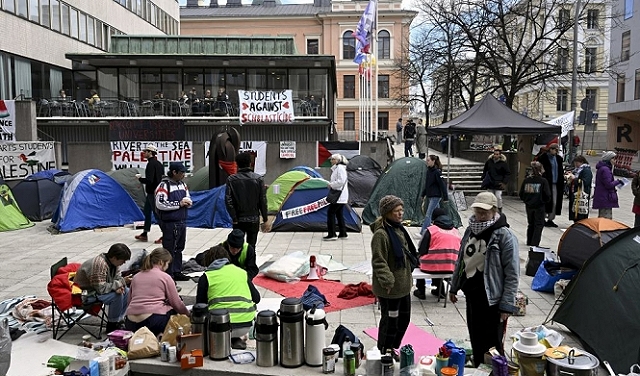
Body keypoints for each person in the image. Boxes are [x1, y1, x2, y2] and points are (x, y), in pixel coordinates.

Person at [449, 192, 519, 367]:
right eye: (477, 211)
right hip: (472, 293)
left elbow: (512, 274)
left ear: (494, 211)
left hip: (492, 299)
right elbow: (461, 260)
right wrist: (454, 287)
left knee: (492, 342)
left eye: (484, 212)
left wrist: (506, 305)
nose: (479, 216)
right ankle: (480, 365)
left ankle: (495, 370)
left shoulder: (504, 235)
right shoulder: (470, 229)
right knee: (475, 335)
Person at [370, 195, 416, 356]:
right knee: (390, 321)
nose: (400, 213)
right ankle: (385, 349)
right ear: (387, 213)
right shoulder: (381, 235)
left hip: (403, 286)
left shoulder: (398, 228)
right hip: (390, 290)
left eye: (401, 210)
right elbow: (378, 261)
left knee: (404, 319)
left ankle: (393, 346)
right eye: (396, 211)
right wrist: (387, 281)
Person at [196, 245, 260, 350]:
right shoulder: (242, 273)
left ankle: (224, 340)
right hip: (246, 324)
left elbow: (200, 305)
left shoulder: (207, 276)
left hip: (220, 326)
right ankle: (234, 339)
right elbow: (257, 298)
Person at [125, 248, 189, 336]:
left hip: (130, 322)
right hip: (152, 321)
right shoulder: (165, 277)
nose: (167, 267)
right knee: (173, 309)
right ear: (161, 262)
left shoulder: (136, 277)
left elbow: (129, 301)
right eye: (167, 264)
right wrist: (188, 314)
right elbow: (176, 303)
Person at [74, 243, 132, 333]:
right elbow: (101, 289)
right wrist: (120, 283)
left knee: (127, 291)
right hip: (86, 293)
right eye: (122, 260)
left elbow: (117, 277)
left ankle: (119, 320)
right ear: (114, 257)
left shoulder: (113, 264)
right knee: (116, 296)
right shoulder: (100, 265)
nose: (123, 263)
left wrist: (120, 285)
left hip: (98, 289)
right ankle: (112, 325)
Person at [156, 162, 192, 281]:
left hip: (182, 220)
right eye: (181, 172)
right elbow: (160, 203)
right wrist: (179, 204)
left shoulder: (182, 184)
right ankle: (168, 273)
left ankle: (177, 271)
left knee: (179, 248)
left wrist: (188, 202)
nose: (183, 175)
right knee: (169, 249)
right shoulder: (164, 185)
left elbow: (187, 196)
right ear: (174, 172)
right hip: (170, 222)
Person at [414, 208, 461, 300]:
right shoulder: (456, 231)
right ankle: (440, 290)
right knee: (440, 260)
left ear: (433, 218)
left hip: (431, 267)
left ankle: (421, 290)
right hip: (452, 267)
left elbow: (422, 249)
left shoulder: (431, 230)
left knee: (419, 259)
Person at [225, 152, 269, 249]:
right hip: (254, 218)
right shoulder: (258, 179)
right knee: (251, 246)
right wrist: (265, 218)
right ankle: (250, 262)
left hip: (238, 219)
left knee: (237, 245)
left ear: (237, 164)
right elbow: (263, 200)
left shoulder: (231, 180)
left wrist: (234, 217)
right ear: (250, 163)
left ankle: (239, 263)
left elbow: (228, 200)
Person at [135, 144, 164, 243]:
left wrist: (140, 179)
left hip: (152, 193)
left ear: (150, 153)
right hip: (155, 192)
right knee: (147, 212)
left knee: (156, 214)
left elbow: (150, 180)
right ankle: (144, 233)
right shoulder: (159, 164)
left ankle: (165, 234)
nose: (144, 153)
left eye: (145, 151)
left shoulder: (151, 164)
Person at [519, 161, 551, 247]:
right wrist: (544, 201)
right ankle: (535, 242)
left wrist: (526, 200)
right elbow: (547, 194)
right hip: (539, 205)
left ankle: (529, 240)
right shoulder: (543, 181)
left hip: (529, 205)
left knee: (531, 223)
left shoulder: (527, 180)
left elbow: (521, 193)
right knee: (539, 224)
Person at [420, 155, 448, 236]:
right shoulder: (429, 171)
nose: (427, 162)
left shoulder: (437, 172)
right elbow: (427, 185)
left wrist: (445, 197)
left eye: (428, 160)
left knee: (429, 214)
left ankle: (423, 231)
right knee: (437, 213)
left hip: (436, 196)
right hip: (430, 195)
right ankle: (440, 226)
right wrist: (423, 194)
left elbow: (442, 184)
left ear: (433, 161)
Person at [537, 143, 564, 227]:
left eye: (557, 150)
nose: (556, 152)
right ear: (550, 149)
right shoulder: (544, 158)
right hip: (547, 182)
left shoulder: (558, 159)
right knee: (546, 200)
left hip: (556, 183)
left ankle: (551, 218)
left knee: (555, 202)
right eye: (554, 150)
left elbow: (560, 170)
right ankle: (543, 217)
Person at [324, 153, 349, 240]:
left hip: (339, 196)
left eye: (333, 159)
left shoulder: (340, 168)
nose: (331, 161)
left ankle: (332, 234)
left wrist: (331, 185)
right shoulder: (339, 168)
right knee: (339, 214)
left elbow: (341, 181)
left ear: (337, 160)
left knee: (330, 213)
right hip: (341, 196)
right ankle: (343, 233)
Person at [593, 151, 624, 219]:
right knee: (606, 218)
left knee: (602, 217)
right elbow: (608, 184)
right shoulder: (605, 170)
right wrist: (618, 181)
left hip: (602, 196)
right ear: (609, 159)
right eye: (613, 159)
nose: (615, 161)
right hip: (606, 197)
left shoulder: (603, 168)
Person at [481, 145, 510, 213]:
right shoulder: (489, 162)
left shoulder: (503, 164)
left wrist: (504, 182)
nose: (495, 156)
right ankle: (491, 209)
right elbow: (485, 170)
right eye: (494, 154)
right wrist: (483, 177)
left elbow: (507, 173)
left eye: (497, 154)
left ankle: (499, 209)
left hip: (499, 182)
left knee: (498, 197)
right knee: (490, 197)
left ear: (500, 155)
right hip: (490, 181)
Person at [567, 155, 593, 222]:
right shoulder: (577, 170)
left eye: (576, 163)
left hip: (581, 195)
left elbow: (585, 182)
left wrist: (574, 179)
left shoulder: (586, 170)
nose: (575, 164)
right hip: (575, 194)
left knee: (580, 214)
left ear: (581, 162)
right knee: (575, 211)